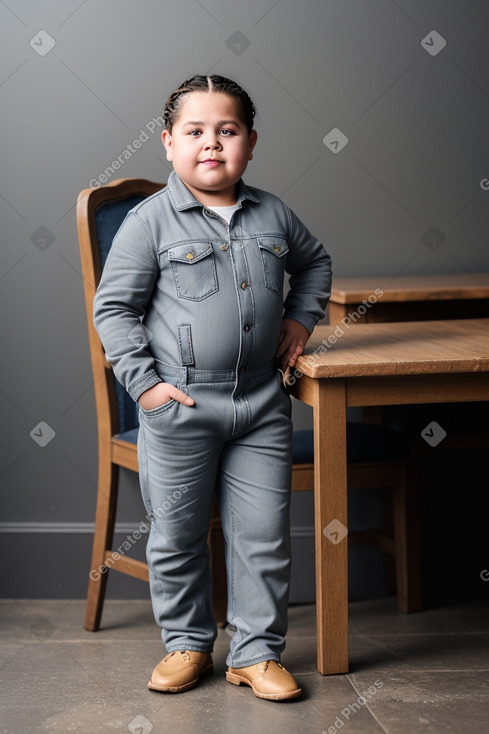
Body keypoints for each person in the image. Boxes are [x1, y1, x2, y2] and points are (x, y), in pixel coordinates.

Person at [93, 74, 332, 701]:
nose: (211, 144)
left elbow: (315, 262)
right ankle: (187, 643)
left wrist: (301, 318)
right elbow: (113, 310)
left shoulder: (274, 213)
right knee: (176, 533)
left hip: (260, 404)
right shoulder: (149, 224)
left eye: (227, 131)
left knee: (263, 535)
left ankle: (255, 653)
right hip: (182, 405)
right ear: (169, 143)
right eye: (195, 132)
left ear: (250, 143)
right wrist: (146, 388)